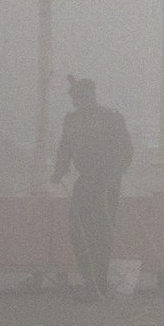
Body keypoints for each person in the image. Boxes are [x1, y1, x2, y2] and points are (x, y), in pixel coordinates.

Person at [52, 76, 134, 298]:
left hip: (106, 182)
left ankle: (99, 283)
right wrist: (59, 170)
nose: (76, 100)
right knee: (78, 231)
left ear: (90, 95)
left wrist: (113, 174)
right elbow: (65, 148)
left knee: (101, 233)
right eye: (74, 97)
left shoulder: (111, 119)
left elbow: (126, 152)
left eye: (79, 96)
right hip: (85, 180)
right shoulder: (72, 121)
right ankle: (90, 281)